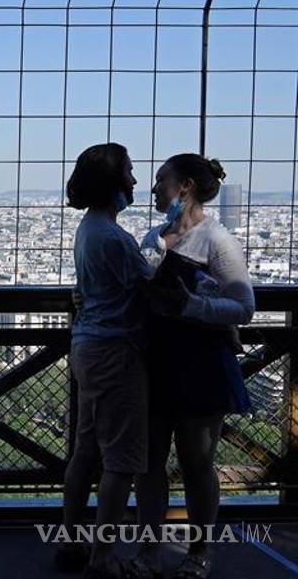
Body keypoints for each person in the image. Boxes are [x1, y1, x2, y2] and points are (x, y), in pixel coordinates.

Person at [133, 155, 254, 579]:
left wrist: (189, 304)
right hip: (170, 359)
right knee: (161, 464)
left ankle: (188, 552)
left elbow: (245, 308)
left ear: (184, 187)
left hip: (191, 362)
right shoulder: (161, 235)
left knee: (191, 463)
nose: (153, 189)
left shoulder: (217, 241)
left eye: (160, 180)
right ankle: (175, 553)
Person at [58, 143, 153, 579]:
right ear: (113, 183)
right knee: (120, 461)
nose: (135, 181)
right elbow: (153, 293)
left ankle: (72, 541)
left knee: (85, 450)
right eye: (130, 173)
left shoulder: (88, 228)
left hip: (87, 346)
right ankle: (103, 558)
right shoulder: (114, 238)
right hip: (117, 351)